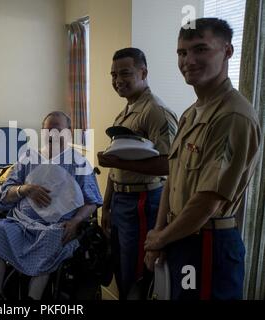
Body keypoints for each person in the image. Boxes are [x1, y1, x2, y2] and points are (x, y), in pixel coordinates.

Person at [144, 18, 262, 300]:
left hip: (208, 243)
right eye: (182, 53)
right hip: (180, 237)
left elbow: (208, 201)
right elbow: (172, 180)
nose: (189, 60)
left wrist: (161, 237)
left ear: (228, 51)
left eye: (200, 50)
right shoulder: (191, 113)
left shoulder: (232, 116)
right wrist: (160, 234)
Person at [0, 111, 103, 301]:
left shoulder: (79, 163)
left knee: (54, 237)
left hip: (56, 226)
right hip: (21, 222)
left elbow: (92, 201)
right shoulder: (28, 158)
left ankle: (33, 299)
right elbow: (6, 193)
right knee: (0, 229)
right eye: (48, 131)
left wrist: (76, 221)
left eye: (58, 130)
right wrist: (25, 189)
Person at [97, 48, 178, 299]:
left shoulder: (155, 111)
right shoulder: (125, 112)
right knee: (120, 267)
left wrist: (118, 161)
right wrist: (107, 206)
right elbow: (115, 168)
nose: (117, 80)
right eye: (113, 75)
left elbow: (168, 166)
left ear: (143, 72)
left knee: (137, 272)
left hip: (143, 201)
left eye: (125, 73)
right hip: (121, 202)